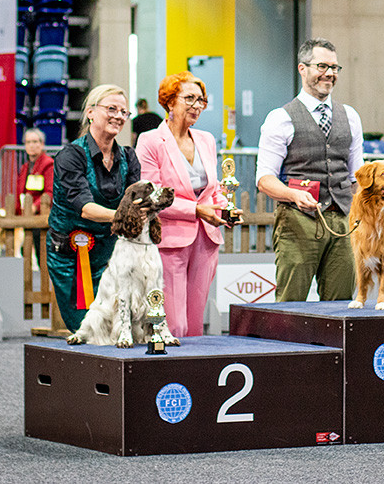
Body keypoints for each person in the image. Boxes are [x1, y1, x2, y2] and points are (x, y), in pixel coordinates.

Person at [256, 38, 364, 302]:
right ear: (302, 69)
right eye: (322, 66)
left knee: (341, 304)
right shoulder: (279, 118)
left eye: (335, 68)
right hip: (297, 221)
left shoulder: (350, 116)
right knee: (291, 303)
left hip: (343, 222)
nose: (329, 73)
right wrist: (293, 196)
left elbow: (357, 177)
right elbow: (264, 179)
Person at [136, 72, 238, 337]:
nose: (197, 105)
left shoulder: (206, 139)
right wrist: (195, 210)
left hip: (207, 239)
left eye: (201, 100)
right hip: (169, 239)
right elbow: (152, 195)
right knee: (174, 323)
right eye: (189, 98)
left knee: (195, 323)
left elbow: (212, 190)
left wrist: (224, 208)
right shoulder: (149, 141)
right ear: (170, 102)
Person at [46, 85, 142, 332]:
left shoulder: (129, 157)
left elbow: (135, 201)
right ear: (90, 112)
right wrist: (125, 216)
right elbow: (86, 208)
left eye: (124, 112)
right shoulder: (70, 156)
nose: (119, 116)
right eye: (111, 109)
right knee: (87, 328)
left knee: (115, 327)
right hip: (71, 254)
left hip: (112, 252)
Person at [16, 127, 54, 214]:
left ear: (42, 144)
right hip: (25, 212)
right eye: (28, 142)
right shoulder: (24, 167)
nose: (31, 145)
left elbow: (50, 192)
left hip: (41, 214)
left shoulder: (49, 164)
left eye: (35, 142)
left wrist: (34, 207)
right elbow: (20, 193)